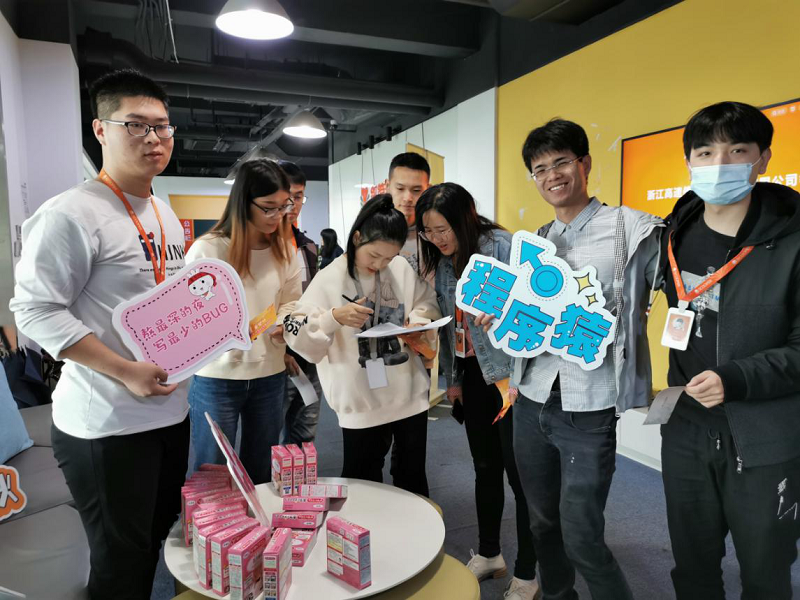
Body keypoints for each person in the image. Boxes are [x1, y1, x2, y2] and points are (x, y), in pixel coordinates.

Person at [9, 69, 189, 599]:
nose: (154, 138)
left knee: (153, 540)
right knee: (119, 566)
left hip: (168, 413)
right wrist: (125, 370)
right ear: (100, 130)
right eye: (136, 125)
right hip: (106, 425)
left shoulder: (164, 212)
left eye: (162, 126)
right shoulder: (70, 214)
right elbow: (34, 310)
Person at [508, 119, 662, 600]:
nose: (552, 175)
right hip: (532, 398)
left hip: (589, 405)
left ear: (585, 163)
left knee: (582, 535)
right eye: (540, 169)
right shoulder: (536, 240)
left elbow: (675, 282)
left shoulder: (630, 227)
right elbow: (526, 316)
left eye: (561, 162)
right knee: (541, 523)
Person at [659, 101, 800, 599]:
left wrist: (735, 378)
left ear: (763, 158)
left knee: (765, 573)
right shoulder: (673, 233)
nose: (719, 164)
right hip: (686, 429)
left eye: (737, 150)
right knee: (692, 568)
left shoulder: (792, 239)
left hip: (765, 436)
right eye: (705, 152)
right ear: (689, 162)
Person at [416, 183, 541, 600]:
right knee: (485, 468)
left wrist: (520, 378)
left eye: (443, 229)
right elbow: (452, 326)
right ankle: (490, 554)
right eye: (428, 231)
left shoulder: (503, 248)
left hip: (509, 380)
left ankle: (527, 573)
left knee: (521, 479)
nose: (437, 238)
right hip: (473, 375)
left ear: (465, 218)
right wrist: (452, 380)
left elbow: (537, 313)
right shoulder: (444, 262)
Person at [283, 194, 441, 495]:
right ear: (357, 238)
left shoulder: (400, 269)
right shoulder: (330, 278)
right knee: (362, 481)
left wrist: (418, 321)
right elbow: (297, 329)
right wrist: (333, 317)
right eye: (374, 255)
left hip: (408, 393)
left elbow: (427, 302)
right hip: (359, 400)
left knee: (412, 477)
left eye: (388, 258)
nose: (379, 265)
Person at [186, 159, 301, 484]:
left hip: (269, 373)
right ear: (243, 202)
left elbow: (292, 302)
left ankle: (254, 519)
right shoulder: (208, 249)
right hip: (217, 376)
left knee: (260, 468)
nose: (277, 216)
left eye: (284, 206)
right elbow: (190, 315)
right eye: (268, 207)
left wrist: (284, 322)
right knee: (211, 468)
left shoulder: (284, 250)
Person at [277, 160, 324, 445]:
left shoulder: (308, 246)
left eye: (299, 197)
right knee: (269, 432)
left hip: (308, 349)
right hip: (276, 352)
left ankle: (300, 474)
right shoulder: (260, 249)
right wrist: (280, 351)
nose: (292, 205)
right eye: (287, 196)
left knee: (306, 428)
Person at [386, 152, 431, 273]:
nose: (408, 198)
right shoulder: (373, 229)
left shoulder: (434, 233)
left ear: (428, 189)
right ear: (388, 186)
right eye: (400, 188)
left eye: (416, 190)